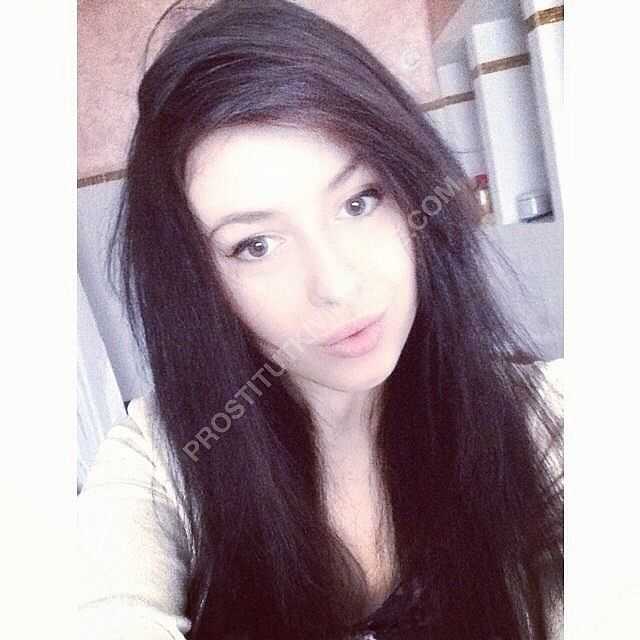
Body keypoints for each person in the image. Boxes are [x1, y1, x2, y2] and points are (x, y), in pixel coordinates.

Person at [78, 1, 564, 638]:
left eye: (360, 202)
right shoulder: (160, 462)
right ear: (197, 283)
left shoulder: (546, 415)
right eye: (255, 245)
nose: (336, 284)